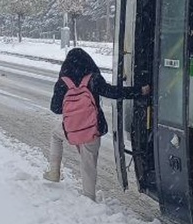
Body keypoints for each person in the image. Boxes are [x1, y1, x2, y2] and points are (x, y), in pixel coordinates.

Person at [46, 47, 149, 201]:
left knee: (55, 134)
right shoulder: (93, 79)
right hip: (91, 130)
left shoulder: (63, 82)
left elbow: (55, 108)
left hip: (71, 129)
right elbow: (115, 92)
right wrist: (140, 91)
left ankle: (54, 171)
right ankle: (89, 197)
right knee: (88, 165)